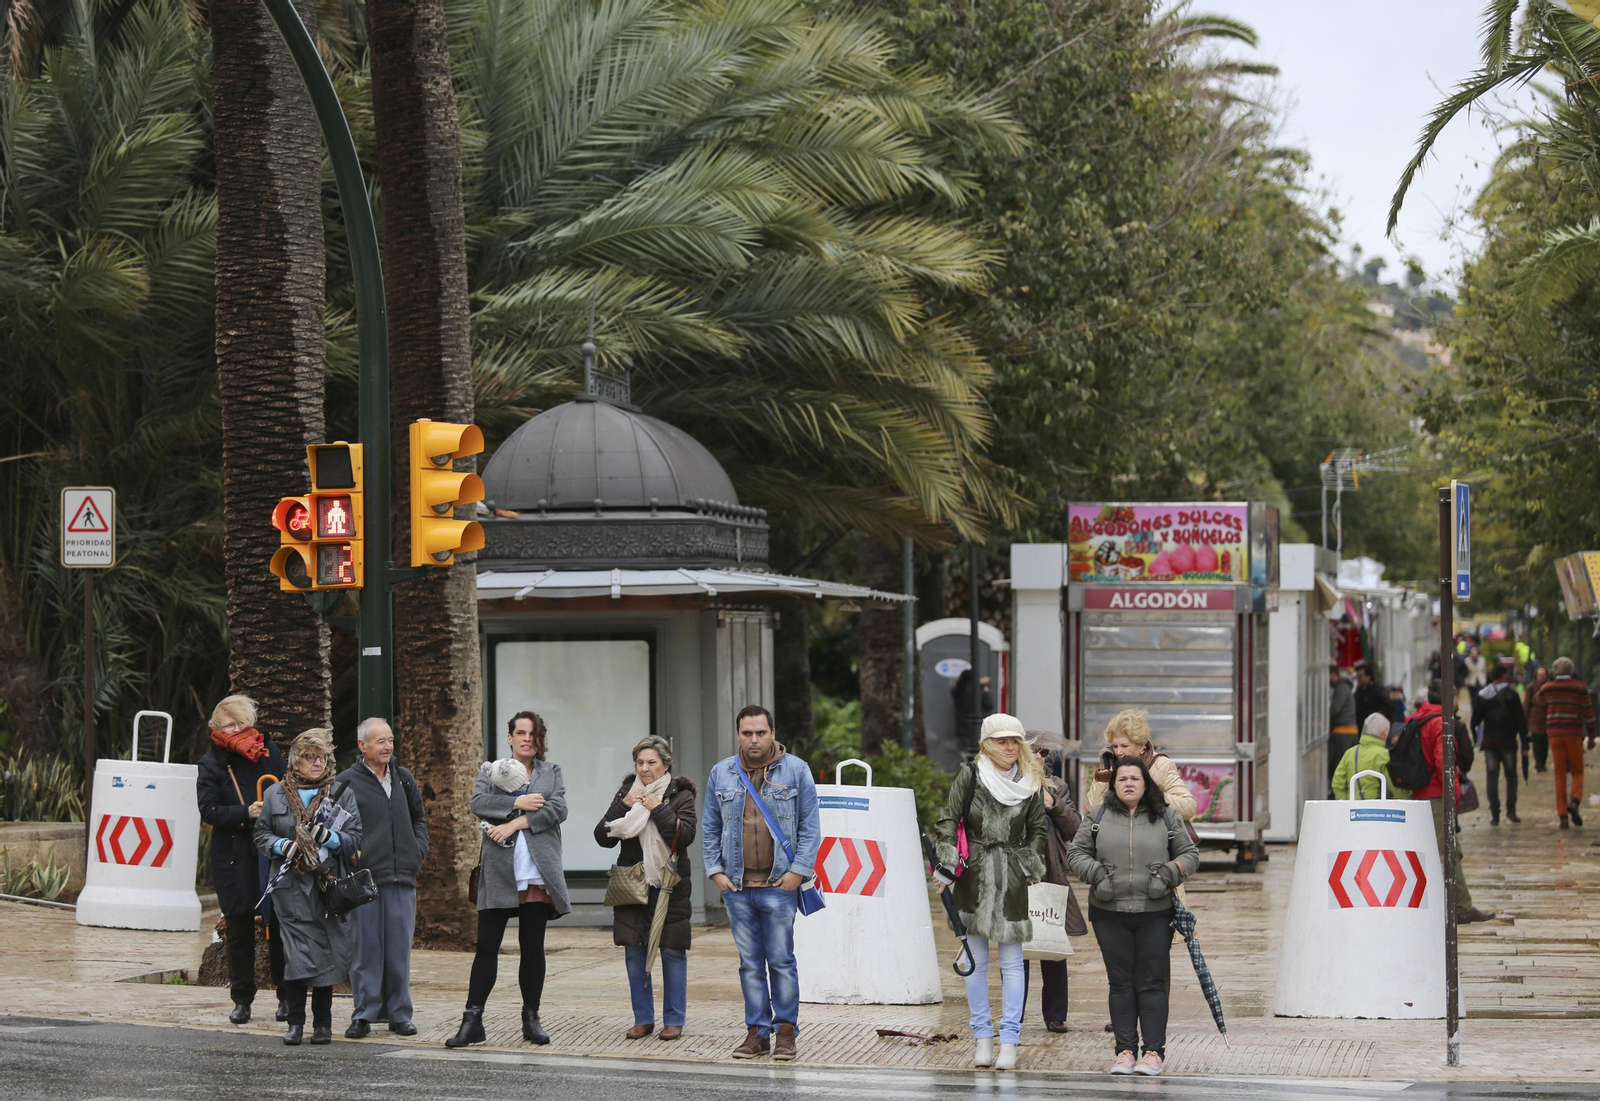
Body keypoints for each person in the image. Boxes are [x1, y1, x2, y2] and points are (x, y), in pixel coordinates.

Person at [702, 704, 820, 1063]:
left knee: (781, 961)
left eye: (760, 732)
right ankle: (757, 1033)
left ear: (772, 732)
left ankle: (786, 1034)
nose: (754, 739)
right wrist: (716, 871)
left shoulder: (797, 770)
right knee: (750, 963)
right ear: (738, 734)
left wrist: (797, 872)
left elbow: (810, 828)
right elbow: (709, 826)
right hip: (737, 887)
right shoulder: (721, 773)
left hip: (778, 885)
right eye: (747, 733)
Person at [1068, 755, 1199, 1077]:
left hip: (1156, 913)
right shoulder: (1097, 816)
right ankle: (1125, 1052)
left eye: (1135, 778)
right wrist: (1097, 874)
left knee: (1152, 983)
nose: (1128, 783)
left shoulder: (1166, 816)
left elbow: (1190, 855)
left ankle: (1153, 1053)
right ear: (1113, 784)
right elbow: (1076, 853)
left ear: (1146, 784)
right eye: (1122, 778)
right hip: (1108, 912)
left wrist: (1168, 874)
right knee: (1121, 983)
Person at [447, 711, 570, 1048]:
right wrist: (517, 801)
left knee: (532, 948)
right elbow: (478, 803)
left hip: (537, 872)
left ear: (540, 738)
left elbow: (558, 809)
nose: (526, 738)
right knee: (486, 947)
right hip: (500, 871)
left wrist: (515, 823)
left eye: (532, 733)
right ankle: (472, 1020)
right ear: (510, 737)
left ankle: (531, 1018)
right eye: (520, 732)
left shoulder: (551, 771)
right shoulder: (493, 770)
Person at [933, 714, 1047, 1070]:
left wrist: (1028, 863)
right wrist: (948, 866)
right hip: (974, 876)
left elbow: (1039, 829)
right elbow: (948, 821)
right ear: (986, 743)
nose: (1011, 747)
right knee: (974, 963)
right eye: (1002, 741)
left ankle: (1010, 1040)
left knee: (1014, 964)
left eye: (1015, 740)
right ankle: (982, 1038)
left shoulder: (1030, 781)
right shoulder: (971, 775)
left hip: (1012, 878)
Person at [254, 728, 363, 1045]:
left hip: (326, 884)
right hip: (289, 887)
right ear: (295, 761)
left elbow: (355, 836)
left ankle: (324, 1024)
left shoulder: (340, 793)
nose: (316, 763)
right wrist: (281, 847)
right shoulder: (275, 794)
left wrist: (328, 838)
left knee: (326, 951)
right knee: (297, 955)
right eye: (309, 757)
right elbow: (261, 835)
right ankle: (296, 1023)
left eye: (321, 757)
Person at [594, 735, 698, 1041]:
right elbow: (603, 836)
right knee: (634, 950)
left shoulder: (681, 795)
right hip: (632, 882)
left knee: (672, 951)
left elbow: (684, 836)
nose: (645, 768)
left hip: (669, 884)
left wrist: (657, 808)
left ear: (666, 764)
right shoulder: (628, 792)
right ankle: (643, 1018)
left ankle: (674, 1020)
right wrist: (620, 806)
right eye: (640, 762)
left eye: (652, 762)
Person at [196, 694, 288, 1026]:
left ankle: (286, 997)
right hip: (234, 854)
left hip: (271, 851)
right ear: (216, 728)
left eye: (241, 723)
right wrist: (244, 812)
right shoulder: (211, 763)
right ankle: (242, 999)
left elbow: (287, 789)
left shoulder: (268, 752)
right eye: (229, 725)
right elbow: (208, 810)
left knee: (279, 924)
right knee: (238, 927)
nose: (237, 730)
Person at [337, 717, 428, 1038]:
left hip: (402, 877)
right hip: (364, 881)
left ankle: (399, 1014)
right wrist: (350, 851)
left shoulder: (403, 778)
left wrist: (417, 850)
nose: (388, 746)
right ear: (363, 746)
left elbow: (419, 817)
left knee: (399, 950)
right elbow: (333, 826)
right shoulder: (346, 782)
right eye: (380, 741)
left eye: (390, 740)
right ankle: (363, 1013)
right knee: (365, 950)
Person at [1410, 682, 1495, 924]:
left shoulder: (1417, 718)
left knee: (1447, 850)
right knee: (1448, 852)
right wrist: (1455, 794)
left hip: (1419, 794)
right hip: (1437, 796)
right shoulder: (1439, 722)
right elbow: (1443, 763)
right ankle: (1461, 907)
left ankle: (1457, 905)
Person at [1026, 736, 1084, 1033]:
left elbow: (1075, 827)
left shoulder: (1056, 786)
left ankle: (1056, 1014)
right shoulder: (1005, 783)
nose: (1040, 756)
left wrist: (1053, 803)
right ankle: (1015, 1015)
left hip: (1049, 874)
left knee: (1052, 944)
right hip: (1014, 874)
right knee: (1015, 950)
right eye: (1035, 750)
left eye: (1044, 752)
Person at [1085, 710, 1198, 822]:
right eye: (1115, 746)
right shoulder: (1110, 766)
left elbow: (1188, 807)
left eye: (1125, 746)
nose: (1119, 752)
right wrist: (1104, 772)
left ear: (1142, 746)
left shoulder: (1161, 765)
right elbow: (1093, 811)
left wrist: (1150, 794)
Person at [1535, 657, 1598, 828]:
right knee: (1578, 772)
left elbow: (1538, 699)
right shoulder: (1579, 687)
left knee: (1559, 775)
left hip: (1555, 735)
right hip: (1574, 734)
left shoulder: (1548, 688)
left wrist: (1549, 682)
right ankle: (1575, 802)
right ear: (1571, 670)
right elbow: (1588, 713)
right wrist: (1591, 736)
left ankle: (1562, 815)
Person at [1474, 664, 1528, 826]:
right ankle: (1511, 810)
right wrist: (1524, 741)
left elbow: (1475, 721)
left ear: (1491, 677)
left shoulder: (1483, 696)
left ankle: (1495, 814)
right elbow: (1520, 719)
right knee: (1511, 776)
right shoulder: (1512, 694)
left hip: (1490, 742)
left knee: (1492, 777)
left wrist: (1477, 738)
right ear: (1504, 676)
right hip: (1509, 742)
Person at [1331, 712, 1409, 800]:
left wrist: (1346, 803)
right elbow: (1395, 788)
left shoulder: (1350, 753)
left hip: (1353, 810)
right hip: (1377, 810)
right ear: (1383, 735)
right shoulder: (1385, 755)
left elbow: (1337, 784)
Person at [1327, 665, 1358, 786]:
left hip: (1343, 732)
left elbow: (1335, 709)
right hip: (1349, 731)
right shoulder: (1344, 687)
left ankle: (1339, 792)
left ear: (1333, 674)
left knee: (1339, 765)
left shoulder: (1341, 688)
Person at [951, 669, 995, 753]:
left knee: (964, 753)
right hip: (976, 730)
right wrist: (986, 690)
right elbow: (989, 705)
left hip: (961, 729)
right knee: (977, 753)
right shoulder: (978, 692)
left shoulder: (958, 691)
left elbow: (956, 688)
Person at [1525, 664, 1551, 773]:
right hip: (1534, 719)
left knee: (1545, 742)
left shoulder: (1550, 687)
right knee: (1536, 741)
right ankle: (1538, 762)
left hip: (1547, 718)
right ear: (1536, 676)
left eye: (1543, 675)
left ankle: (1543, 762)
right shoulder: (1530, 688)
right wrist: (1525, 721)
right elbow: (1526, 704)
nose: (1541, 677)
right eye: (1540, 675)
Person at [1353, 665, 1389, 730]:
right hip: (1360, 727)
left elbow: (1387, 707)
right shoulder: (1359, 691)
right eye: (1357, 676)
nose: (1358, 679)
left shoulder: (1377, 690)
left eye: (1360, 676)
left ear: (1368, 677)